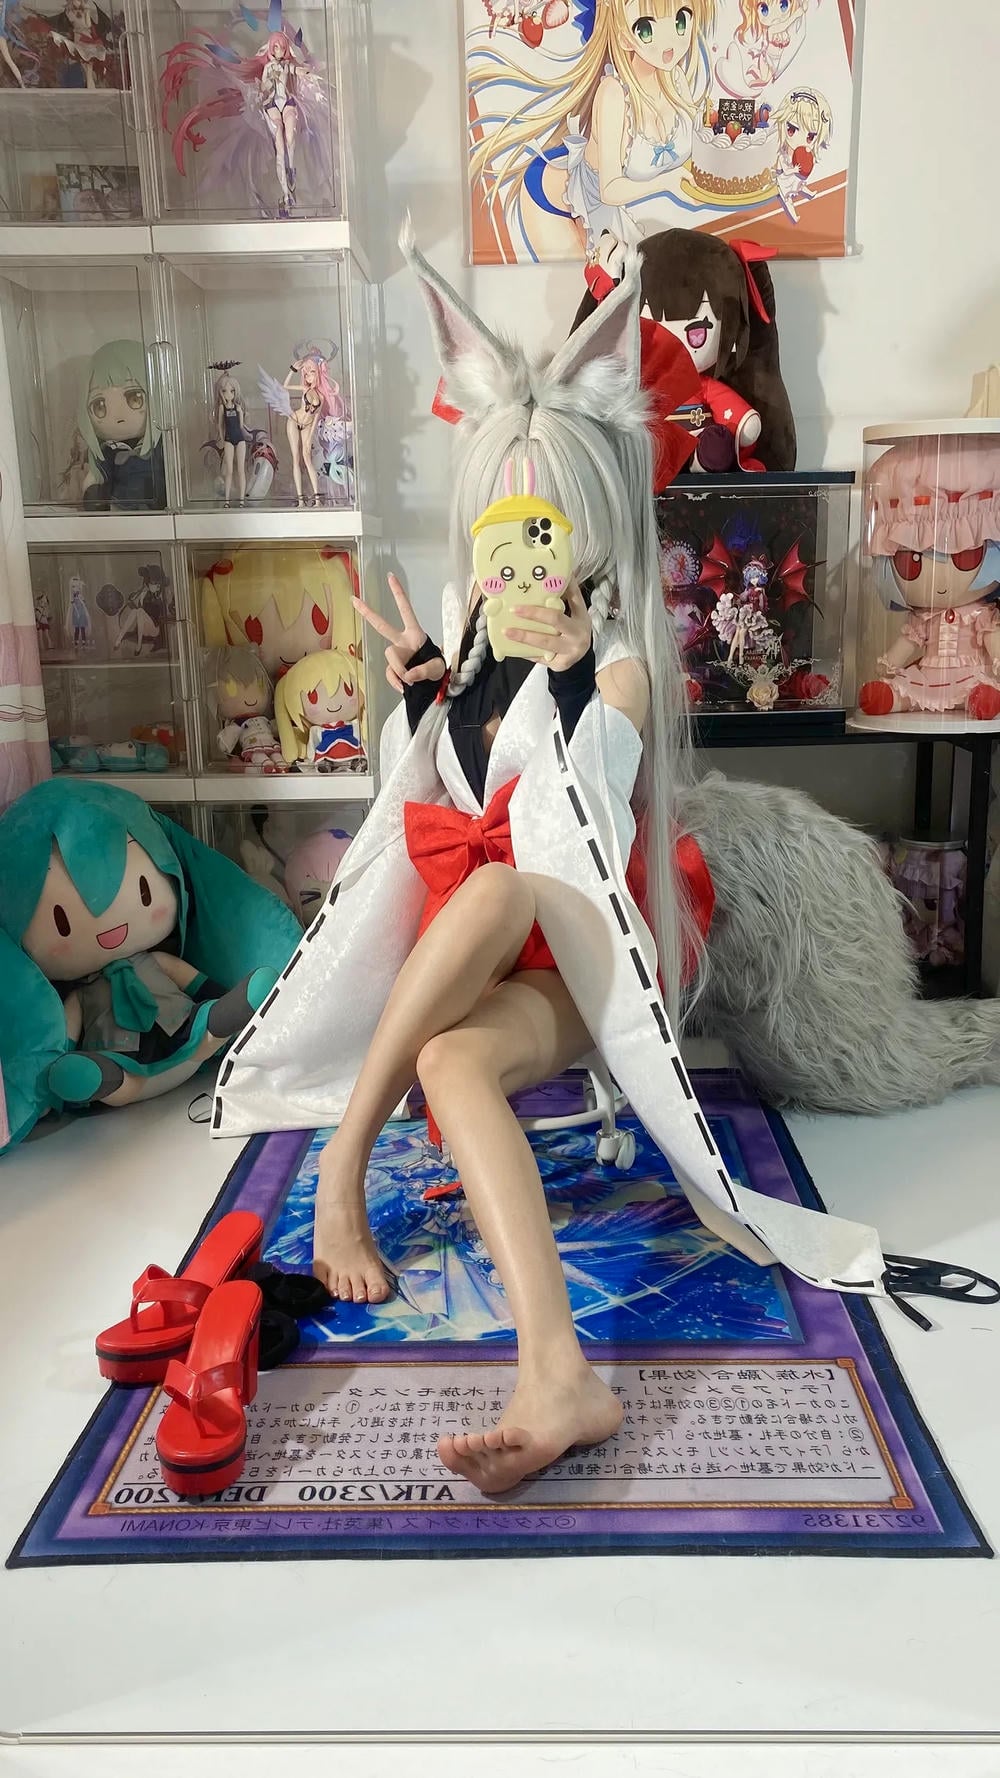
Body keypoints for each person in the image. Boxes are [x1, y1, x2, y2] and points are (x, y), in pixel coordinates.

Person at [213, 232, 889, 1495]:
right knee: (446, 1056)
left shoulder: (615, 657)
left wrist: (575, 673)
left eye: (547, 522)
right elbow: (427, 810)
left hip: (578, 947)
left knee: (495, 885)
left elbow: (590, 791)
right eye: (504, 521)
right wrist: (426, 697)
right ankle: (558, 1372)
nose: (522, 551)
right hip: (486, 954)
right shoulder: (468, 646)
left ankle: (342, 1165)